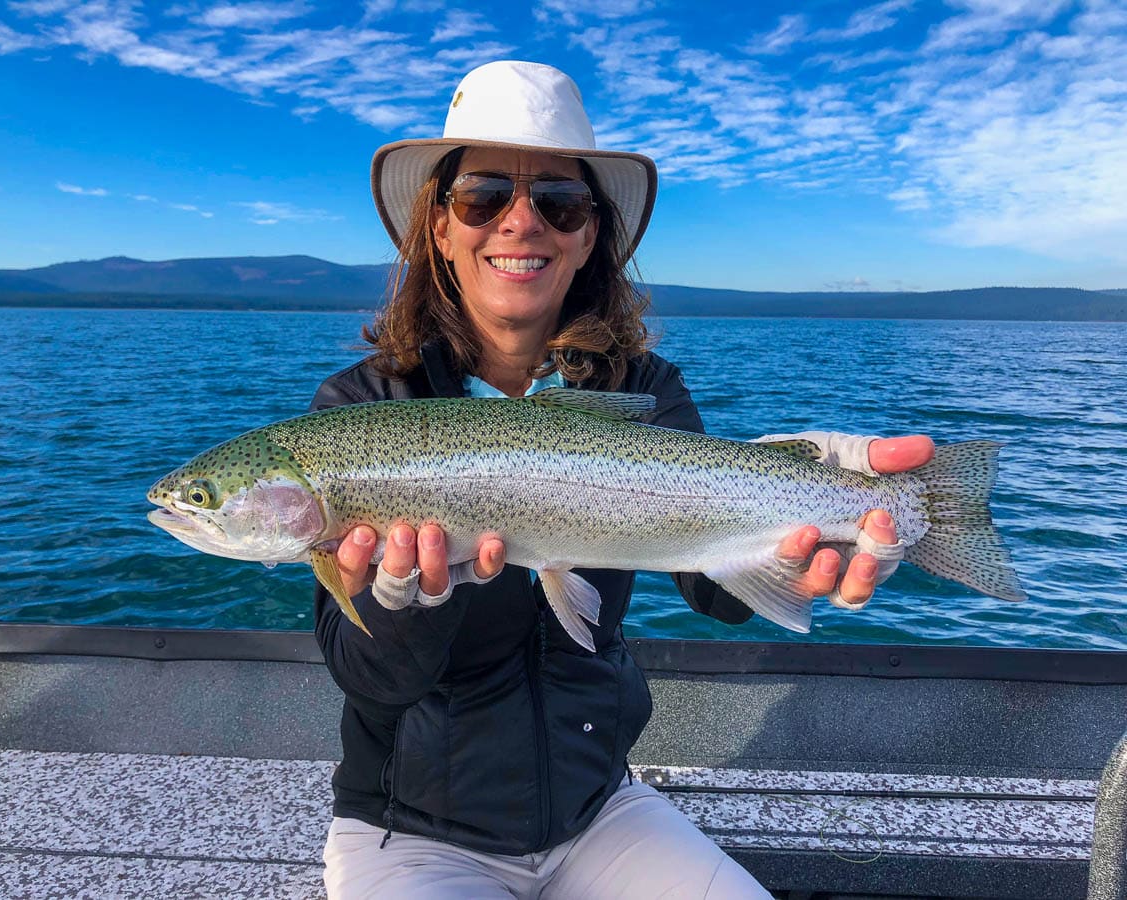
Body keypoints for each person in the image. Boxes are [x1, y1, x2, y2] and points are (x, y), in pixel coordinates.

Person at [310, 60, 934, 899]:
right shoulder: (359, 410)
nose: (520, 223)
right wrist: (398, 604)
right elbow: (370, 679)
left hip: (602, 809)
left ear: (589, 234)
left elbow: (710, 582)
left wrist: (810, 513)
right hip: (407, 833)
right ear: (439, 227)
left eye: (558, 203)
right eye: (483, 197)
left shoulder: (644, 389)